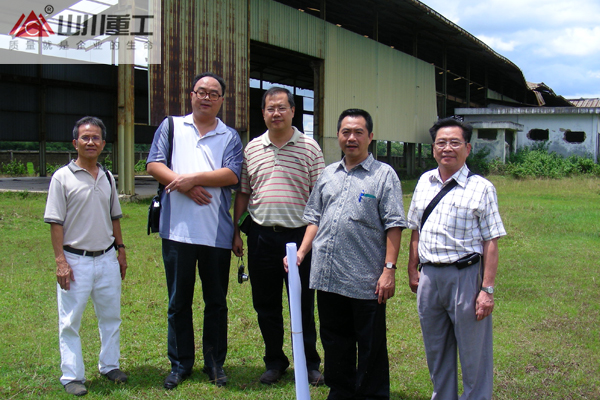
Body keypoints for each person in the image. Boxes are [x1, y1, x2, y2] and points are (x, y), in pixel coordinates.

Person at [287, 108, 406, 399]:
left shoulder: (383, 175)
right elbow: (314, 217)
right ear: (338, 135)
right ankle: (340, 390)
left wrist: (388, 270)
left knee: (370, 343)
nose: (351, 138)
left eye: (358, 133)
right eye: (346, 132)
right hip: (328, 276)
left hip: (365, 279)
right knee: (334, 338)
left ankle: (371, 394)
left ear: (370, 137)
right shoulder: (328, 174)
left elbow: (394, 225)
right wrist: (301, 253)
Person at [146, 72, 243, 389]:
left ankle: (215, 364)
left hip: (215, 235)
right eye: (200, 91)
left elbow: (231, 174)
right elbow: (154, 165)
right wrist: (185, 186)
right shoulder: (172, 126)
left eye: (213, 93)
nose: (206, 97)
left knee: (216, 303)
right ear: (191, 95)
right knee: (178, 302)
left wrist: (193, 179)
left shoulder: (229, 136)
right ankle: (180, 364)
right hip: (176, 233)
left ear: (221, 100)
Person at [406, 117, 507, 400]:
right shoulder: (424, 182)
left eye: (454, 142)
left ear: (468, 148)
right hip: (429, 278)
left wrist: (486, 290)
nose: (446, 148)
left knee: (474, 353)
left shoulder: (481, 188)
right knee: (436, 350)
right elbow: (416, 229)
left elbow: (491, 240)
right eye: (441, 142)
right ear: (433, 147)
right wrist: (412, 270)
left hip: (465, 277)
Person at [232, 86, 325, 385]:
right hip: (260, 238)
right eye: (270, 108)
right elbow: (244, 193)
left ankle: (310, 363)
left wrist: (308, 244)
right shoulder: (252, 148)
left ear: (293, 111)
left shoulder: (310, 148)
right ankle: (275, 361)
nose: (276, 113)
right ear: (263, 113)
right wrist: (236, 230)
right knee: (266, 305)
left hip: (299, 238)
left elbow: (321, 199)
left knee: (303, 304)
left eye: (282, 107)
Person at [44, 116, 128, 396]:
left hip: (106, 258)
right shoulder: (62, 177)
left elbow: (114, 216)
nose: (91, 142)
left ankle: (109, 365)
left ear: (104, 144)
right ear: (75, 143)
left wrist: (121, 251)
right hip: (75, 260)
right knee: (70, 321)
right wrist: (61, 262)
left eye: (96, 138)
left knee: (111, 316)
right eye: (85, 137)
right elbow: (56, 222)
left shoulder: (106, 177)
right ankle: (72, 375)